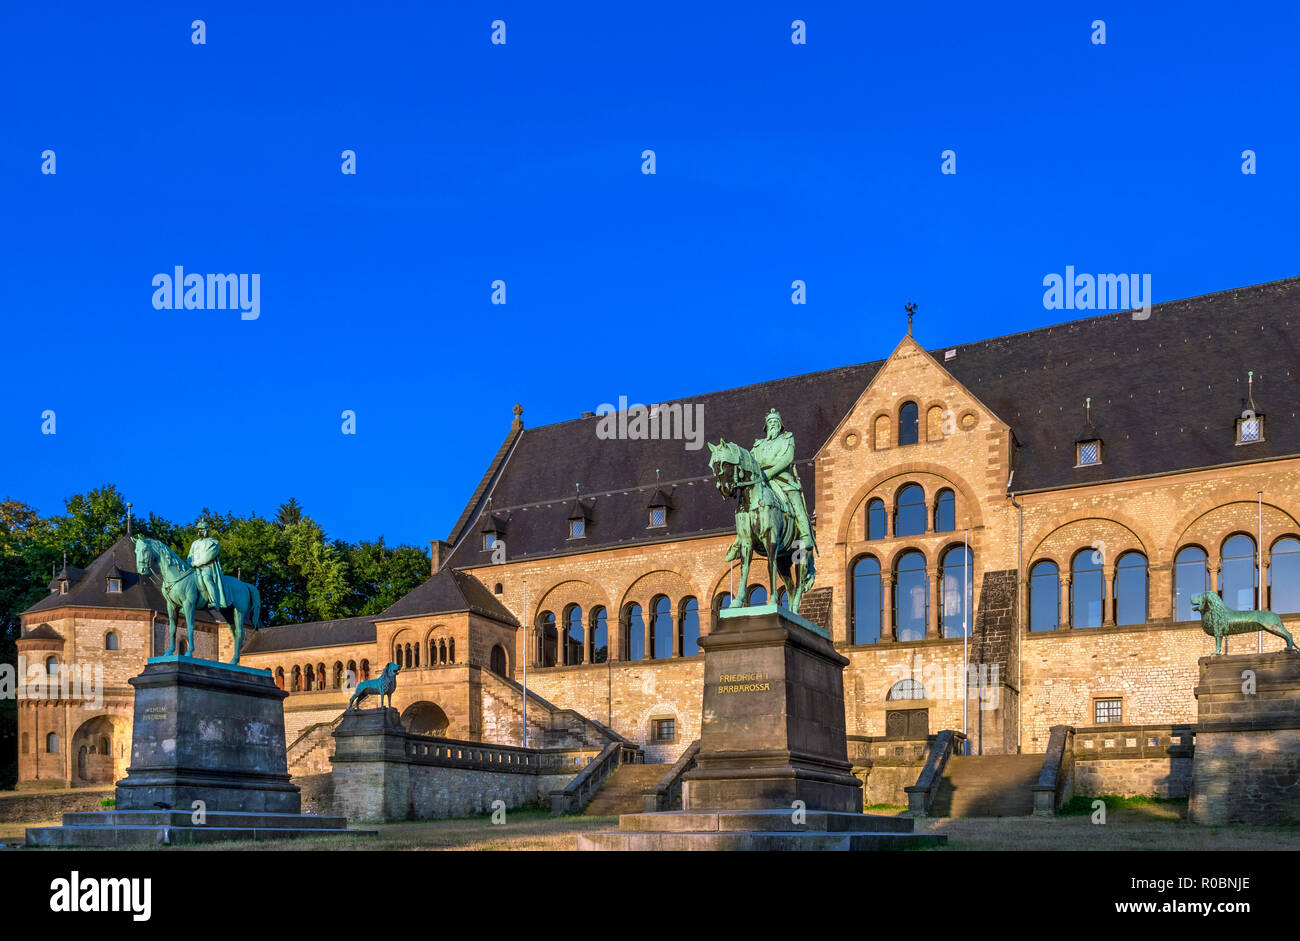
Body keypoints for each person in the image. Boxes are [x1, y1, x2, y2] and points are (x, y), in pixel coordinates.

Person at [187, 520, 228, 610]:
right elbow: (190, 555)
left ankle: (214, 601)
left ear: (206, 530)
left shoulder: (213, 543)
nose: (200, 531)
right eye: (199, 529)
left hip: (206, 567)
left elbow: (207, 557)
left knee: (206, 579)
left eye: (202, 529)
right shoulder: (195, 543)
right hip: (193, 567)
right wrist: (189, 562)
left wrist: (196, 563)